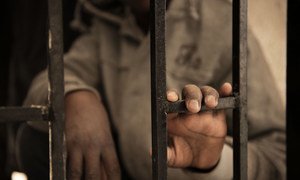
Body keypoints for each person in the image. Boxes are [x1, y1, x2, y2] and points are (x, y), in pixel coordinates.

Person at [17, 0, 285, 179]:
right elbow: (48, 80)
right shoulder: (108, 21)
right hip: (129, 170)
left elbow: (278, 156)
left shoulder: (223, 24)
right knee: (35, 139)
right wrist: (77, 98)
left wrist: (214, 161)